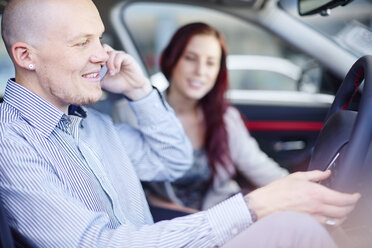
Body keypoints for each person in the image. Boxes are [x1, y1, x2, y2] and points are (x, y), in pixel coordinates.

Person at [0, 0, 359, 247]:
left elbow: (173, 160)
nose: (101, 55)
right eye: (82, 42)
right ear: (26, 56)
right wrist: (253, 207)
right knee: (295, 230)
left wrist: (141, 91)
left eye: (99, 38)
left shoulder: (91, 124)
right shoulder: (10, 140)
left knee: (297, 225)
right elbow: (96, 243)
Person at [122, 22, 290, 211]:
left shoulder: (226, 117)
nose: (201, 71)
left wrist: (300, 187)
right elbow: (124, 186)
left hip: (224, 219)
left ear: (219, 71)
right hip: (164, 222)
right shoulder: (130, 112)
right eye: (191, 58)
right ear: (172, 60)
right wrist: (181, 213)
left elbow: (259, 167)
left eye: (210, 63)